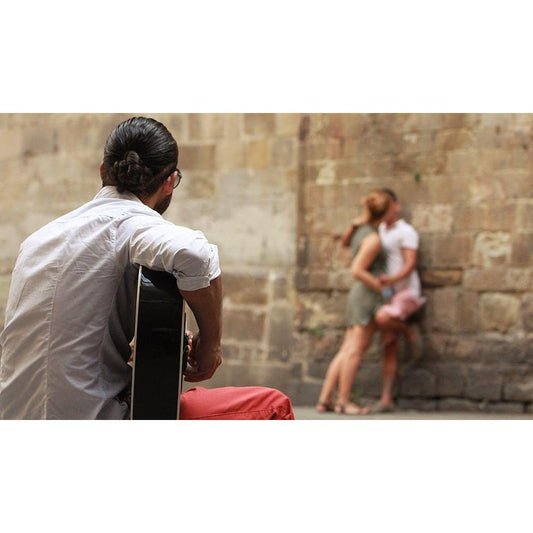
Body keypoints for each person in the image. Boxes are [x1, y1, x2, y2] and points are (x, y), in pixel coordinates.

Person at [0, 116, 294, 420]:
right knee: (275, 406)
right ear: (170, 181)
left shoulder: (36, 241)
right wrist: (211, 345)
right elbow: (196, 255)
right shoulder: (130, 226)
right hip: (95, 417)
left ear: (102, 171)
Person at [315, 191, 412, 415]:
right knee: (355, 350)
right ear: (385, 212)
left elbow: (345, 243)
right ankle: (343, 401)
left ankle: (325, 399)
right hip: (367, 296)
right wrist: (382, 289)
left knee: (347, 349)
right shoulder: (373, 238)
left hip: (360, 295)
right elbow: (357, 270)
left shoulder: (360, 229)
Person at [372, 188, 426, 412]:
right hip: (388, 295)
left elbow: (410, 263)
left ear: (396, 206)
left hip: (406, 293)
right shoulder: (379, 230)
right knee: (389, 344)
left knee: (382, 318)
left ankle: (409, 331)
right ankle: (386, 399)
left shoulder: (406, 231)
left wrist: (392, 280)